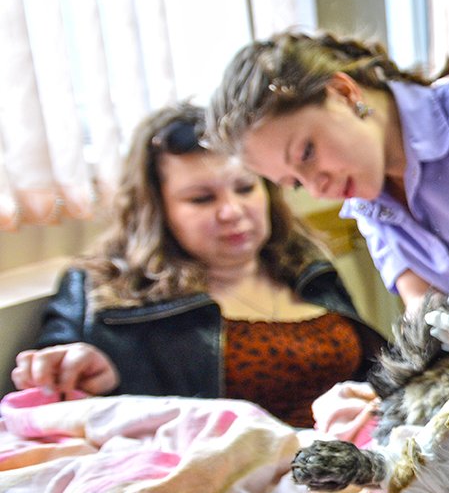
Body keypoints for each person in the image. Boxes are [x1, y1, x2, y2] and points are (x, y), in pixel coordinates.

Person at [207, 30, 449, 351]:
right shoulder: (368, 208)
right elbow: (424, 317)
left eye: (307, 153)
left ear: (345, 93)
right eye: (294, 183)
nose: (317, 187)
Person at [10, 102, 387, 427]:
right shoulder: (101, 291)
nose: (232, 212)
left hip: (352, 465)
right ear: (158, 210)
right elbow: (56, 397)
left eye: (244, 188)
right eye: (201, 199)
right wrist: (82, 375)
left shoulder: (307, 267)